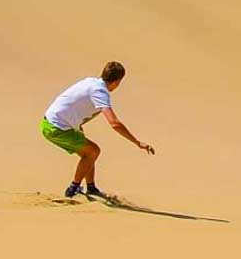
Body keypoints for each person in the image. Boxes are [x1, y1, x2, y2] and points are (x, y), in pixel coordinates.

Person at [40, 61, 155, 198]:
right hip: (57, 128)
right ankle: (72, 190)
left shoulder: (91, 82)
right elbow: (114, 123)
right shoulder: (100, 92)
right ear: (117, 81)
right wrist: (137, 142)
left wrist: (78, 125)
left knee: (88, 153)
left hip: (50, 122)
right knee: (93, 151)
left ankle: (91, 188)